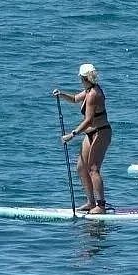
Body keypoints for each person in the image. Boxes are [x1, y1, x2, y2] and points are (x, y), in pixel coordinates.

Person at [52, 63, 112, 214]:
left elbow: (89, 121)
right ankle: (91, 202)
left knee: (93, 169)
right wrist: (61, 94)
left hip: (101, 133)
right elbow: (74, 99)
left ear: (83, 77)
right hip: (90, 134)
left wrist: (71, 135)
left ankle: (101, 205)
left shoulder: (93, 94)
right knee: (81, 167)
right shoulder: (88, 90)